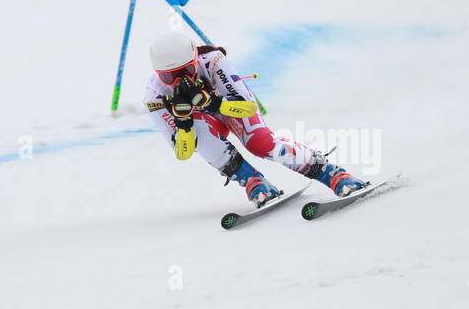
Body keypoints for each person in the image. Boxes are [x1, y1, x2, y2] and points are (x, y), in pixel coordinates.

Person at [145, 30, 367, 207]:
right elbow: (183, 153)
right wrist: (184, 125)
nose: (178, 81)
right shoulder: (155, 95)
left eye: (185, 71)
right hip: (208, 125)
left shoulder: (212, 61)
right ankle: (252, 180)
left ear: (195, 59)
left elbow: (249, 108)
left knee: (261, 143)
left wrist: (213, 103)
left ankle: (333, 174)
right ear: (157, 74)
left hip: (231, 108)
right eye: (169, 76)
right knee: (198, 134)